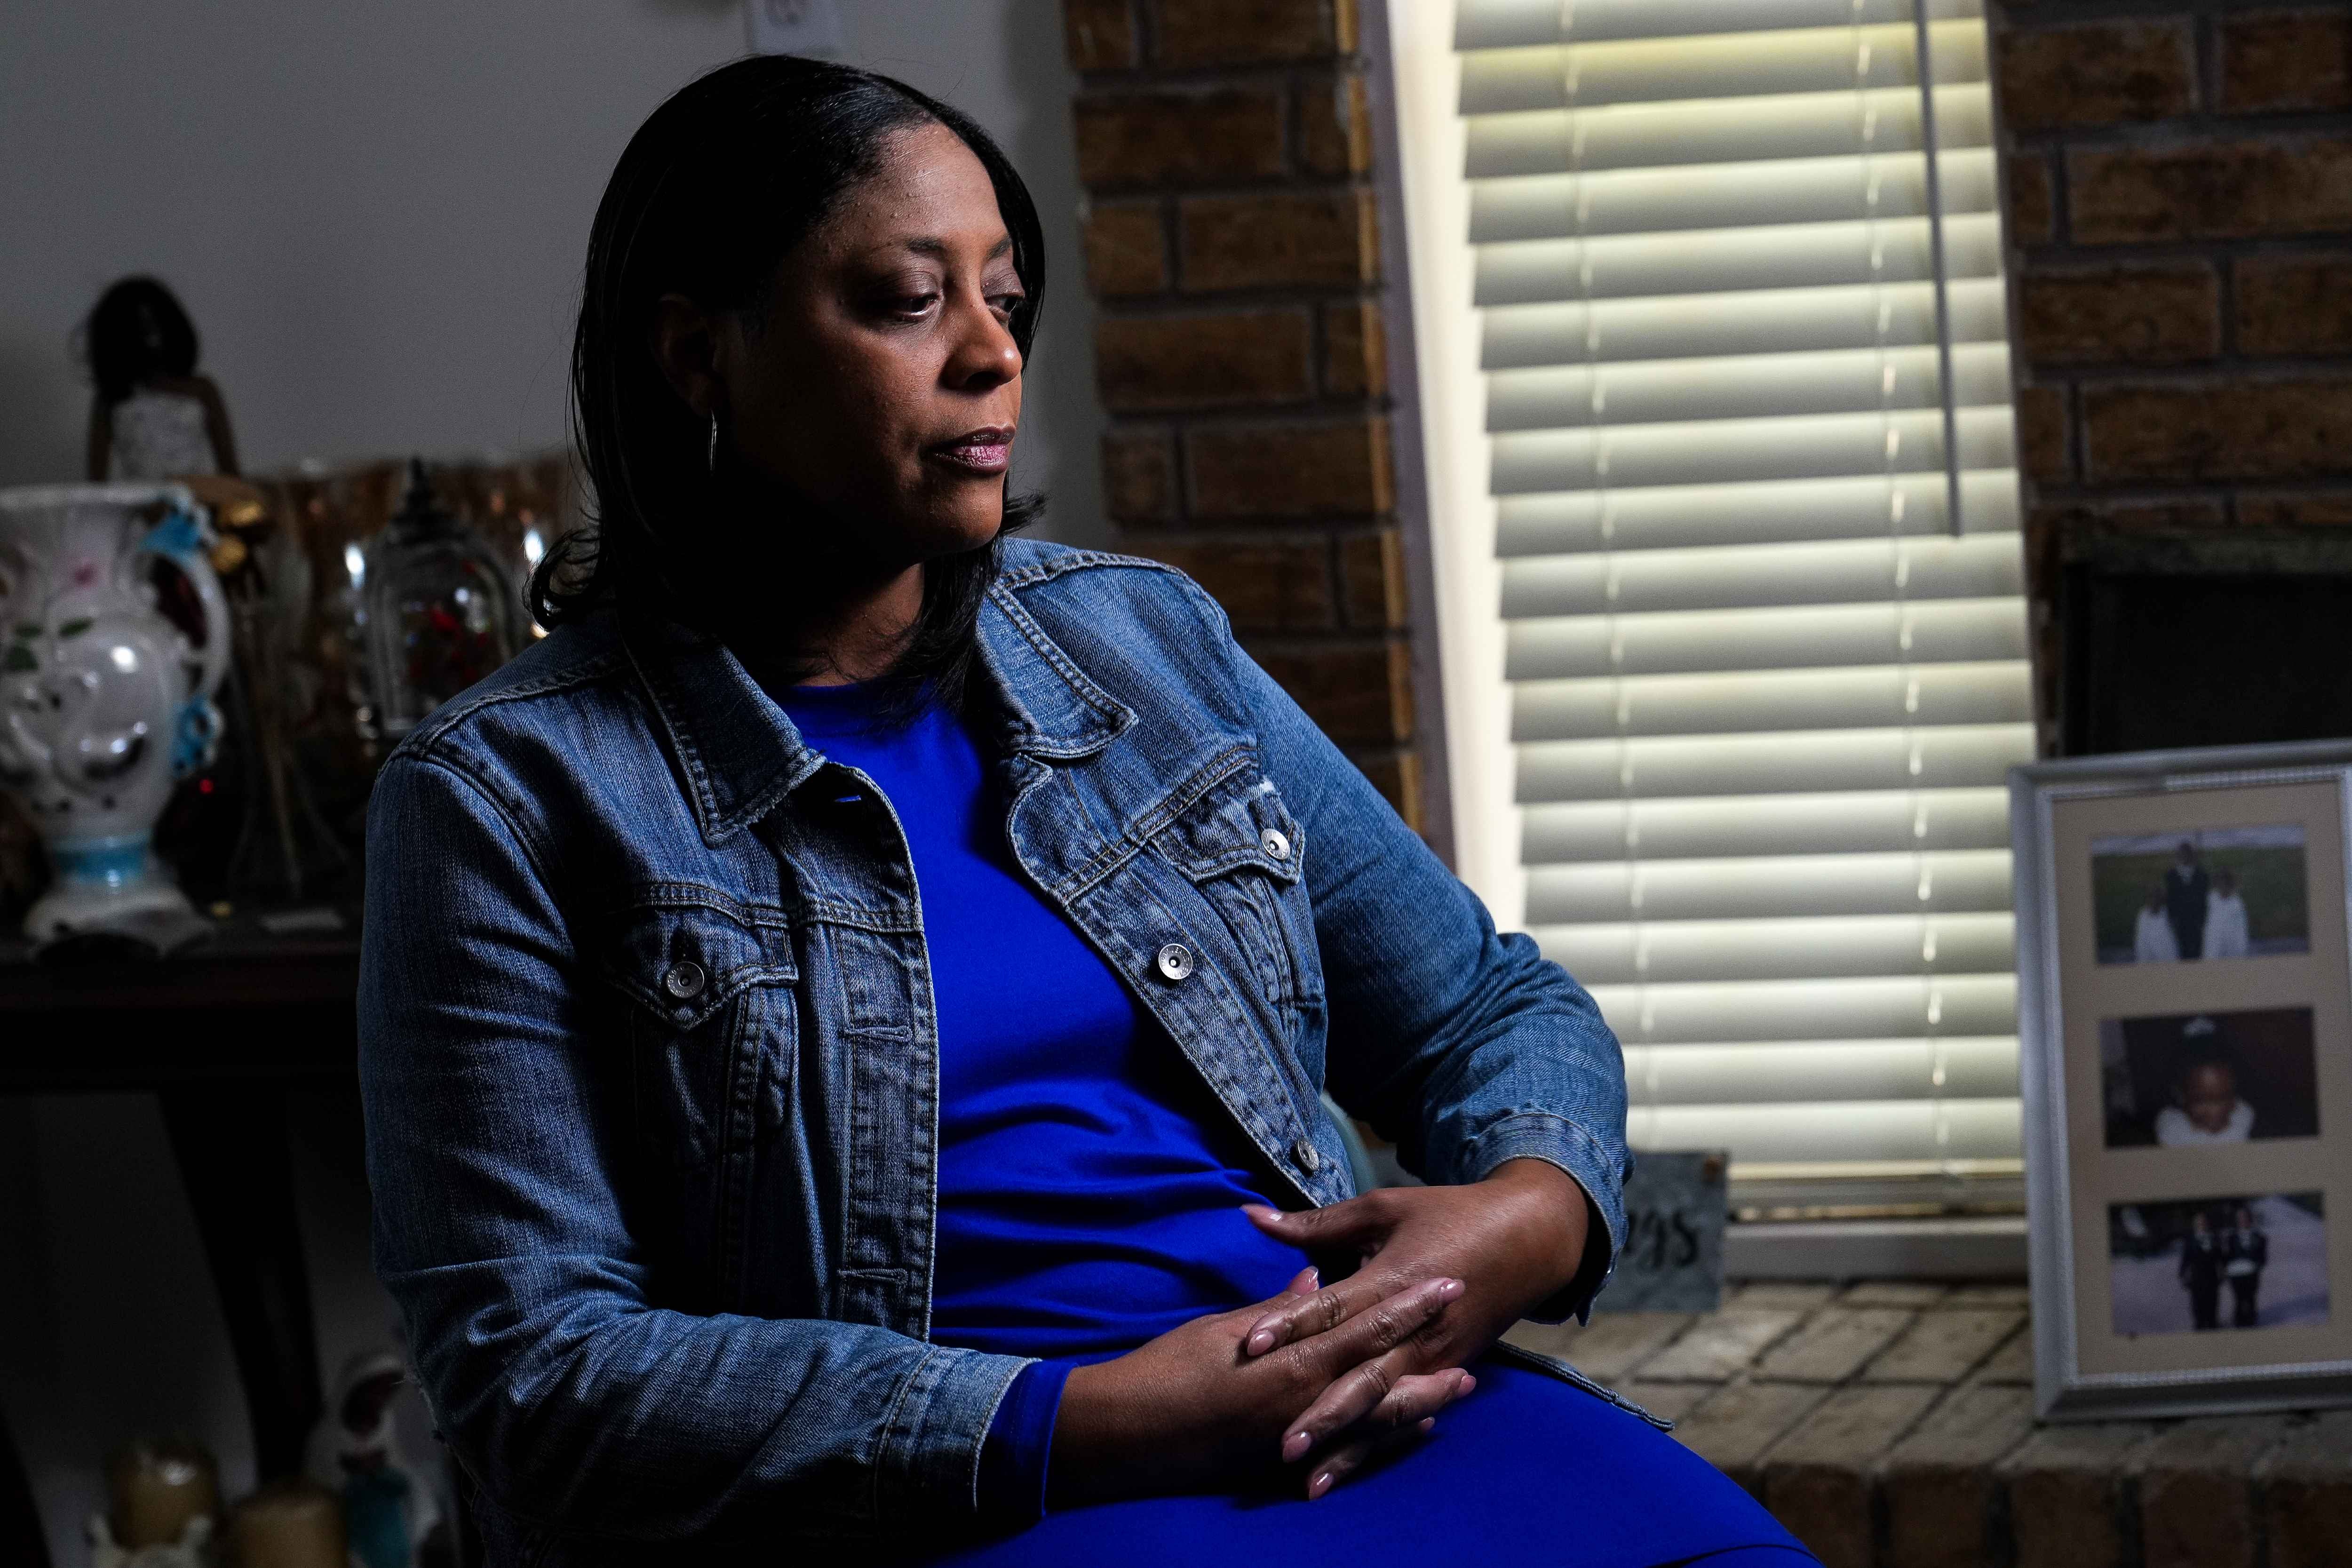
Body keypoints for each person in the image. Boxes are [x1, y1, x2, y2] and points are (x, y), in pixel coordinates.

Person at [356, 57, 1815, 1568]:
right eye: (908, 298)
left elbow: (1484, 1008)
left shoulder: (1142, 648)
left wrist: (1519, 1217)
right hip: (958, 1496)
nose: (993, 352)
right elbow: (535, 1375)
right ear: (696, 358)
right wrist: (1090, 1417)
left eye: (1004, 292)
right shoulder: (502, 800)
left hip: (1345, 1398)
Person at [77, 277, 240, 481]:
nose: (151, 337)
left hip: (196, 502)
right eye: (140, 328)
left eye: (156, 324)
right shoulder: (112, 397)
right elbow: (96, 482)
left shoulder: (201, 390)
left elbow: (231, 471)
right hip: (143, 506)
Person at [2153, 1050, 2256, 1146]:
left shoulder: (2243, 1115)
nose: (2214, 1111)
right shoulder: (2170, 1125)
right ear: (2181, 1096)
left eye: (2223, 1098)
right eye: (2200, 1101)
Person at [2224, 1205, 2269, 1328]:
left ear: (2250, 1219)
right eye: (2240, 1218)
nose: (2243, 1220)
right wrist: (2227, 1269)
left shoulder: (2260, 1237)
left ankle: (2251, 1321)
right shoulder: (2231, 1238)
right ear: (2237, 1220)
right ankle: (2239, 1322)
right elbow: (2227, 1257)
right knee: (2238, 1299)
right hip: (2235, 1275)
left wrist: (2256, 1266)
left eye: (2246, 1217)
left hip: (2252, 1275)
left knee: (2251, 1298)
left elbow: (2263, 1258)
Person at [2178, 1211, 2224, 1331]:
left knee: (2213, 1303)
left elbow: (2220, 1258)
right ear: (2195, 1225)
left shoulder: (2215, 1238)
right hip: (2196, 1278)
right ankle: (2200, 1325)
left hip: (2212, 1277)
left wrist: (2223, 1272)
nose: (2202, 1225)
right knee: (2197, 1305)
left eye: (2204, 1222)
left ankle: (2213, 1324)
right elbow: (2185, 1259)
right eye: (2199, 1223)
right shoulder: (2190, 1240)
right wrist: (2182, 1274)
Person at [2166, 840, 2211, 959]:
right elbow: (2171, 899)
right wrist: (2172, 918)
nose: (2185, 857)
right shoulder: (2171, 876)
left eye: (2187, 854)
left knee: (2197, 950)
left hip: (2196, 921)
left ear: (2192, 856)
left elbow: (2204, 899)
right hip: (2180, 921)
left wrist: (2202, 919)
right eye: (2182, 854)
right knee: (2180, 950)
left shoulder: (2201, 875)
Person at [2205, 868, 2251, 959]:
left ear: (2230, 884)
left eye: (2225, 883)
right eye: (2220, 883)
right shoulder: (2211, 899)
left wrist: (2242, 947)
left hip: (2233, 944)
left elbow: (2242, 927)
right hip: (2214, 944)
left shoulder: (2237, 903)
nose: (2223, 886)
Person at [2133, 883, 2180, 963]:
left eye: (2157, 896)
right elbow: (2141, 942)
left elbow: (2171, 944)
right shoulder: (2143, 915)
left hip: (2168, 962)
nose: (2154, 900)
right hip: (2147, 962)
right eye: (2151, 896)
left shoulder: (2167, 914)